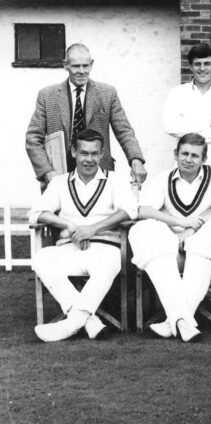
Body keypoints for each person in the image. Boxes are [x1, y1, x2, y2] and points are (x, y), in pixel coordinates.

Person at [29, 129, 138, 342]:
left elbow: (130, 210)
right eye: (84, 153)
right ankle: (88, 321)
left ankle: (71, 323)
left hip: (104, 247)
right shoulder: (60, 182)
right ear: (73, 152)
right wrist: (69, 224)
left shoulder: (114, 180)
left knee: (111, 262)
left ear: (101, 153)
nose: (89, 159)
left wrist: (93, 228)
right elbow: (35, 213)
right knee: (41, 258)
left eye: (94, 153)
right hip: (70, 247)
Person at [128, 133, 211, 342]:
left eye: (195, 156)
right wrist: (180, 223)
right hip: (171, 248)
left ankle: (174, 321)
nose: (188, 159)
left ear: (204, 159)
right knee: (142, 230)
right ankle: (183, 320)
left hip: (204, 247)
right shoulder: (163, 178)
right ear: (175, 155)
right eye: (184, 154)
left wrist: (196, 226)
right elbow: (144, 210)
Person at [26, 43, 146, 190]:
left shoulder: (107, 93)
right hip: (59, 177)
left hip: (100, 174)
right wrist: (47, 172)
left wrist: (136, 159)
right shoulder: (47, 95)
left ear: (92, 64)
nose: (82, 71)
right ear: (66, 66)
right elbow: (33, 139)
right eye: (76, 66)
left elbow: (124, 131)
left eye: (86, 66)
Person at [162, 44, 211, 171]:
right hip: (184, 166)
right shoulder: (177, 93)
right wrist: (209, 124)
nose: (202, 68)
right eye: (197, 64)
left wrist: (190, 128)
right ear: (191, 66)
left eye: (207, 64)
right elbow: (171, 126)